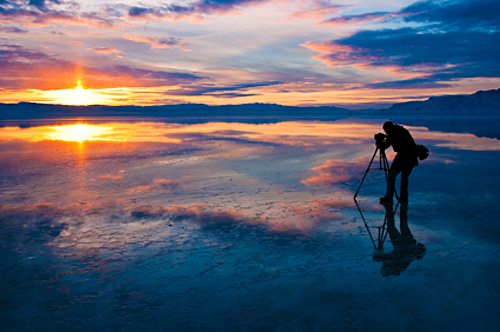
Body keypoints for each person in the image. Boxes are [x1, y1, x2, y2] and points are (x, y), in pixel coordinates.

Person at [377, 121, 418, 204]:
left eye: (385, 130)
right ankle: (403, 198)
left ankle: (389, 197)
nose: (386, 132)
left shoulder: (393, 133)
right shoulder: (399, 130)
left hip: (403, 156)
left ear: (388, 128)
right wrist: (386, 137)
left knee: (391, 176)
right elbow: (394, 139)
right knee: (404, 178)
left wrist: (378, 141)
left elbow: (384, 146)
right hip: (412, 156)